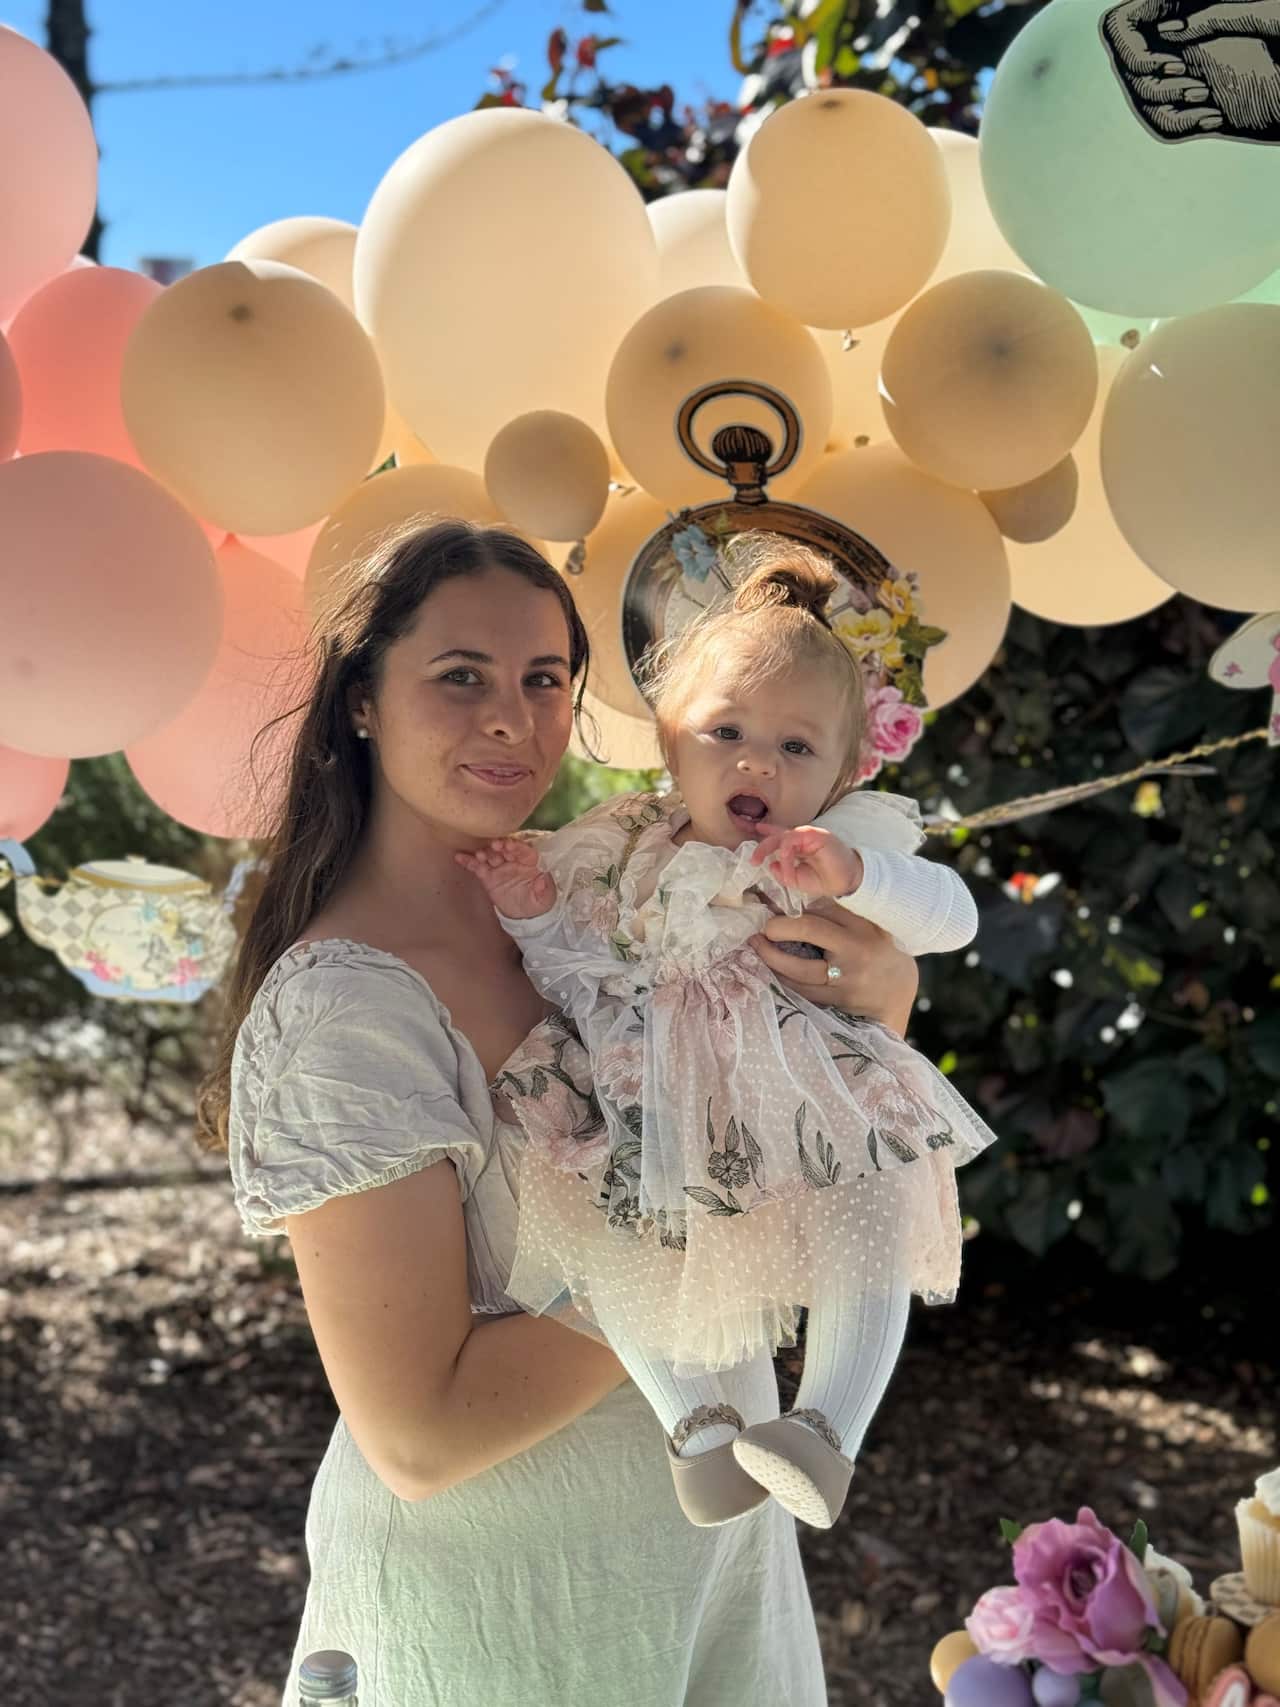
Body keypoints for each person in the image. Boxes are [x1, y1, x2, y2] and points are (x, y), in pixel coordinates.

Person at [198, 518, 922, 1707]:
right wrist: (720, 1253)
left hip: (713, 1557)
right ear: (361, 702)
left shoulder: (589, 900)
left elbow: (764, 1084)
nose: (511, 718)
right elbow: (416, 1434)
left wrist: (879, 998)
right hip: (508, 1614)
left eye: (544, 679)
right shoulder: (345, 1013)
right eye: (459, 677)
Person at [459, 539, 995, 1536]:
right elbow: (579, 972)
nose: (756, 762)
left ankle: (825, 1430)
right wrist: (534, 913)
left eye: (797, 749)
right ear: (670, 746)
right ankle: (697, 1429)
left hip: (794, 1081)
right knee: (613, 1235)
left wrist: (855, 876)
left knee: (862, 1215)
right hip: (651, 1093)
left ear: (839, 774)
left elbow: (954, 918)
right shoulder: (621, 848)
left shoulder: (819, 853)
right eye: (725, 732)